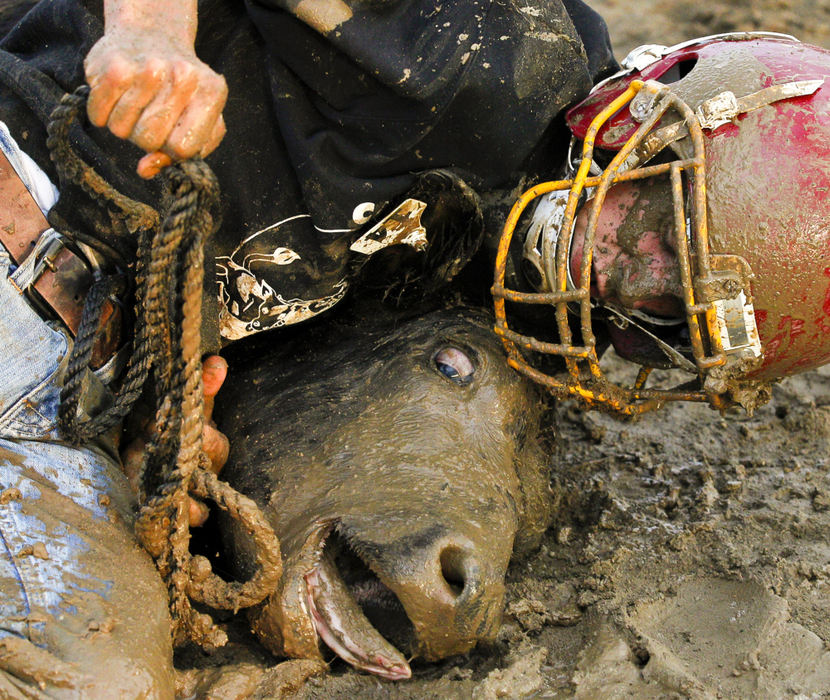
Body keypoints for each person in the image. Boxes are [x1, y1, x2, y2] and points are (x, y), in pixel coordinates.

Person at [0, 0, 616, 696]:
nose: (637, 274)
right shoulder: (493, 51)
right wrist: (151, 29)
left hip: (70, 369)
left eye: (674, 312)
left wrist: (154, 420)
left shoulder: (470, 237)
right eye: (662, 224)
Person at [493, 32, 830, 416]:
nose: (633, 289)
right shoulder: (492, 59)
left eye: (677, 305)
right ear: (657, 141)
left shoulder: (544, 341)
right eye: (671, 241)